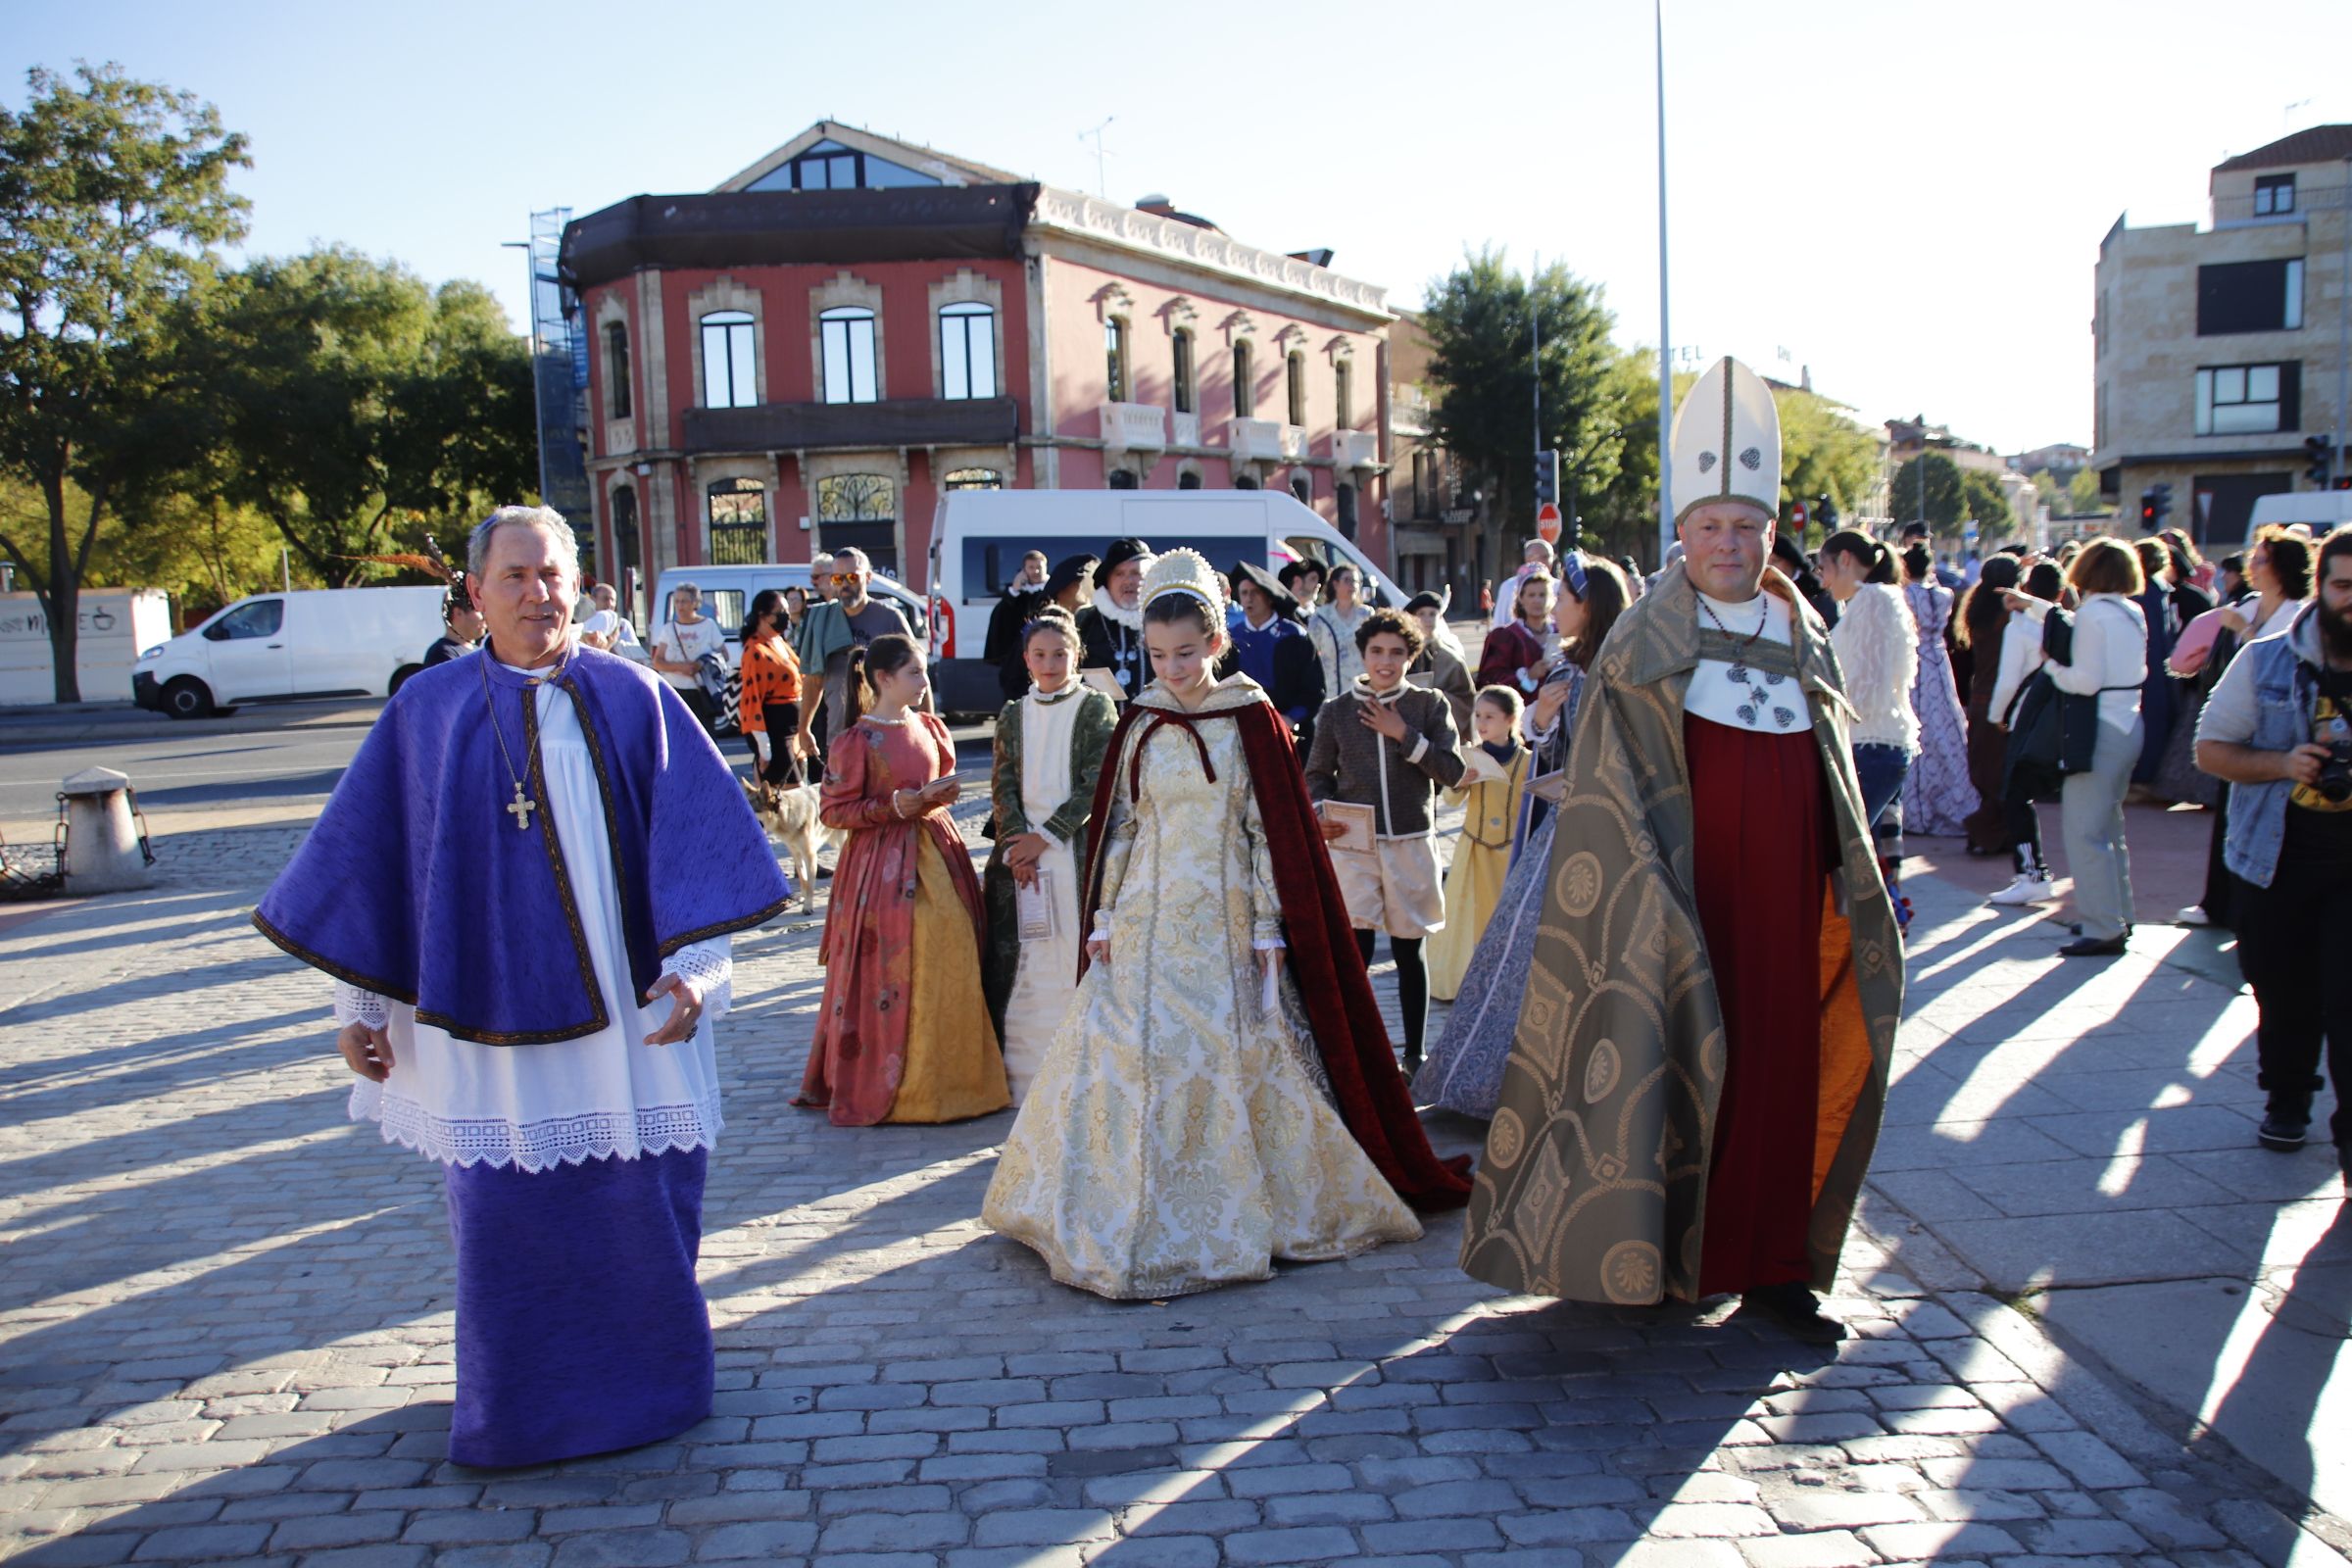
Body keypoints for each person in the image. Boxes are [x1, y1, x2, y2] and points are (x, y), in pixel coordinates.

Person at [252, 505, 791, 1468]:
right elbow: (378, 863)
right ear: (476, 592)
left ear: (580, 583)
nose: (539, 593)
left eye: (553, 574)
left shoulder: (637, 698)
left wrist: (703, 971)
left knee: (643, 1194)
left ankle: (656, 1388)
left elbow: (701, 849)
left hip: (631, 1016)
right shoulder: (426, 710)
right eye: (517, 576)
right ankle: (521, 1407)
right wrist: (360, 1008)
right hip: (482, 1020)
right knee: (506, 1216)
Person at [1458, 357, 1900, 1344]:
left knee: (1782, 1069)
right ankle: (1671, 1253)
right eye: (1710, 527)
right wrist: (1650, 893)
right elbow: (1612, 792)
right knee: (1696, 1066)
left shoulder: (1803, 631)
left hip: (1786, 898)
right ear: (1683, 535)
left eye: (1747, 528)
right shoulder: (1643, 639)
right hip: (1683, 899)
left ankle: (1776, 1265)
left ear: (1771, 536)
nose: (1729, 545)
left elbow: (1831, 769)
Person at [982, 549, 1463, 1300]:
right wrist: (1104, 911)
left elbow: (1264, 829)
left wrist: (1270, 926)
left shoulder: (1249, 717)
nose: (1172, 667)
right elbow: (1123, 827)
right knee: (1126, 1050)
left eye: (1186, 652)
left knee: (1225, 1048)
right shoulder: (1141, 720)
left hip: (1226, 910)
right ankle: (1106, 1203)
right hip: (1143, 914)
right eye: (1159, 653)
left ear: (1215, 643)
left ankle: (1235, 1205)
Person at [1413, 554, 1629, 1119]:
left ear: (1591, 607)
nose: (1554, 607)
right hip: (1561, 829)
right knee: (1518, 953)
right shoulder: (1565, 670)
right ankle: (1492, 1082)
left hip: (1601, 833)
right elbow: (1542, 750)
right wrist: (1536, 720)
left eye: (1564, 599)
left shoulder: (1618, 670)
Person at [797, 633, 1009, 1125]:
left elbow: (946, 780)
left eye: (923, 672)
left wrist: (937, 796)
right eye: (914, 673)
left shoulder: (932, 727)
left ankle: (955, 1082)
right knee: (897, 959)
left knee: (953, 946)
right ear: (883, 679)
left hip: (938, 851)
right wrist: (892, 806)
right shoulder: (856, 741)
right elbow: (833, 810)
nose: (924, 681)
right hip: (880, 865)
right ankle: (903, 1087)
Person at [2194, 524, 2352, 1183]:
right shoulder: (2265, 659)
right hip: (2275, 858)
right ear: (2321, 585)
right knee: (2284, 994)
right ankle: (2287, 1098)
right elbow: (2211, 750)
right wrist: (2285, 762)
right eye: (2344, 586)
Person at [1303, 608, 1464, 1076]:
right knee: (1354, 949)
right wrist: (1319, 814)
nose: (1386, 662)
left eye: (1397, 653)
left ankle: (1414, 1054)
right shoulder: (1335, 712)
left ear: (1411, 657)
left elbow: (1452, 773)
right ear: (1363, 654)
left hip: (1412, 842)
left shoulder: (1429, 705)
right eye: (1377, 652)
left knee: (1407, 950)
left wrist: (1404, 736)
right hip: (1353, 846)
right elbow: (1316, 775)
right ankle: (1358, 1051)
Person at [981, 608, 1117, 1103]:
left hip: (1071, 855)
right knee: (1022, 963)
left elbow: (1097, 781)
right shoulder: (1013, 714)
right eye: (1040, 654)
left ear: (1077, 654)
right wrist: (1017, 842)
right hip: (1021, 858)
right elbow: (1003, 782)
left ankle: (1075, 1079)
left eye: (1060, 653)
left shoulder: (1095, 707)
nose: (1051, 662)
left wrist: (1048, 836)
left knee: (1066, 957)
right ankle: (1020, 1076)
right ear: (1026, 659)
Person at [2003, 539, 2149, 956]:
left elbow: (2083, 681)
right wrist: (2033, 605)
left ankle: (2102, 925)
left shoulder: (2093, 616)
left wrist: (2049, 664)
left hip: (2098, 728)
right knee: (2110, 828)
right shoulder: (2130, 611)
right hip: (2128, 724)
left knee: (2085, 831)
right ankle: (2117, 915)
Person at [2171, 528, 2310, 928]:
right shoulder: (2248, 604)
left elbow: (2279, 659)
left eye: (2261, 559)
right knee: (2230, 814)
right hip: (2238, 725)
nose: (2252, 565)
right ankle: (2217, 901)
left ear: (2282, 567)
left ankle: (2243, 903)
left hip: (2276, 733)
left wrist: (2242, 631)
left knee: (2265, 816)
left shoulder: (2295, 613)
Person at [1820, 530, 1920, 924]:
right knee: (1861, 854)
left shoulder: (1873, 600)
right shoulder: (1875, 599)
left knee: (1848, 853)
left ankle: (1884, 930)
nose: (1824, 581)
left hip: (1871, 745)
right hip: (1875, 744)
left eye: (1825, 568)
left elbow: (1862, 685)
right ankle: (1883, 928)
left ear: (1845, 559)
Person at [1424, 686, 1529, 1003]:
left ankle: (1504, 982)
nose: (1481, 723)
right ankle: (1461, 981)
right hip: (1473, 851)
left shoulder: (1526, 761)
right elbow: (1450, 799)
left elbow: (1530, 804)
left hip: (1509, 852)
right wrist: (1461, 780)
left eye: (1490, 717)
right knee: (1466, 915)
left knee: (1503, 915)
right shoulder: (1472, 757)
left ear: (1510, 719)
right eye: (1478, 715)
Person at [1985, 561, 2066, 906]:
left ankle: (2031, 873)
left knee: (2015, 795)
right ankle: (2034, 874)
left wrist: (1995, 715)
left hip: (2026, 714)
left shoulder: (2019, 628)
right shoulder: (2066, 622)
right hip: (2059, 718)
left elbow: (2007, 679)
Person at [794, 547, 913, 766]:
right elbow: (813, 680)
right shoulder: (822, 620)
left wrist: (929, 724)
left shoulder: (890, 619)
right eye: (838, 578)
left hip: (886, 734)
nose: (844, 584)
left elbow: (916, 673)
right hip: (841, 736)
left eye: (851, 577)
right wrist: (804, 729)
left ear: (867, 578)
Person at [1896, 543, 1975, 838]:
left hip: (1915, 659)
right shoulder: (1944, 595)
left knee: (1917, 725)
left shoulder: (1905, 595)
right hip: (1938, 663)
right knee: (1945, 728)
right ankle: (1949, 794)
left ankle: (1915, 805)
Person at [1955, 556, 2024, 858]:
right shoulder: (2009, 615)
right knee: (2001, 774)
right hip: (2003, 701)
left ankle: (1992, 832)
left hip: (1980, 697)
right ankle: (1984, 829)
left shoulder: (1976, 608)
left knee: (1986, 771)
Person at [1227, 562, 1323, 743]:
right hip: (1244, 733)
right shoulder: (1232, 638)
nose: (1248, 599)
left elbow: (1314, 690)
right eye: (1244, 593)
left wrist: (1291, 718)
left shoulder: (1294, 636)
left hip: (1290, 733)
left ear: (1269, 597)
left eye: (1255, 592)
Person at [737, 589, 806, 787]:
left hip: (790, 728)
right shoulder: (755, 651)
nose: (786, 615)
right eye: (781, 611)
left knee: (786, 795)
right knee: (791, 793)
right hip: (774, 731)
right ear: (764, 616)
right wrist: (763, 747)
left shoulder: (778, 641)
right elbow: (751, 699)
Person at [1076, 537, 1153, 701]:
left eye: (1136, 573)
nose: (1128, 581)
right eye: (1119, 574)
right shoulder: (1085, 621)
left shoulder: (1164, 618)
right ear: (1108, 581)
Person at [650, 583, 728, 732]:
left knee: (705, 735)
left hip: (701, 692)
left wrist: (702, 663)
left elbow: (724, 655)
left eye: (684, 601)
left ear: (695, 603)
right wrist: (681, 667)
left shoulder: (708, 625)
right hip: (675, 691)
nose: (679, 605)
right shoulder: (669, 629)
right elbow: (657, 662)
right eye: (677, 601)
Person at [1403, 590, 1477, 736]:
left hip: (1443, 730)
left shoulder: (1451, 659)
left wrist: (1438, 699)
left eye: (1432, 614)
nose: (1427, 619)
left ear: (1440, 617)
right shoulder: (1402, 654)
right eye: (1421, 614)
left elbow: (1467, 701)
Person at [982, 550, 1053, 695]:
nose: (1036, 571)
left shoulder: (1052, 591)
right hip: (1018, 658)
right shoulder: (1017, 594)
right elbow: (1000, 617)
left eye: (1039, 567)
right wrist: (1014, 590)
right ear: (1024, 570)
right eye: (1031, 567)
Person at [1477, 569, 1553, 693]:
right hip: (1520, 708)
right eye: (1531, 595)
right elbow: (1489, 679)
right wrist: (1528, 676)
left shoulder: (1560, 632)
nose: (1537, 600)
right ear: (1521, 599)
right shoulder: (1506, 636)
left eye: (1542, 595)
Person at [1305, 564, 1373, 700]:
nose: (1353, 585)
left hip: (1362, 689)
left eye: (1356, 581)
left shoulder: (1366, 615)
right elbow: (1310, 654)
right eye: (1348, 580)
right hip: (1331, 689)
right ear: (1335, 584)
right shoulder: (1321, 617)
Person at [1489, 538, 1557, 629]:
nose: (1537, 600)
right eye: (1531, 595)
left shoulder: (1561, 586)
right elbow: (1499, 622)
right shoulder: (1509, 586)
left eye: (1548, 557)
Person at [421, 578, 484, 667]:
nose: (484, 617)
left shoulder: (477, 651)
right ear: (458, 613)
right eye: (478, 611)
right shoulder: (441, 654)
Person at [579, 582, 642, 659]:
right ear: (593, 599)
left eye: (613, 600)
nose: (610, 604)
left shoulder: (623, 625)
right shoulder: (580, 624)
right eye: (605, 599)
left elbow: (637, 653)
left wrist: (615, 646)